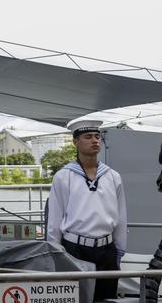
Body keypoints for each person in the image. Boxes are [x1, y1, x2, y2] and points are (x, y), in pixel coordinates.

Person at [47, 119, 127, 301]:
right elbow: (54, 220)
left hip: (107, 250)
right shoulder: (63, 177)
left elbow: (121, 217)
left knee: (107, 298)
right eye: (88, 136)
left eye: (97, 136)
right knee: (76, 298)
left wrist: (120, 252)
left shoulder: (113, 177)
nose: (95, 141)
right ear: (75, 142)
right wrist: (56, 254)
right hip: (74, 250)